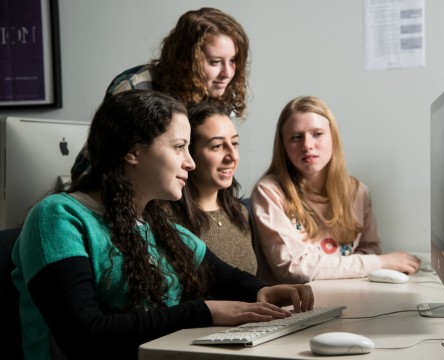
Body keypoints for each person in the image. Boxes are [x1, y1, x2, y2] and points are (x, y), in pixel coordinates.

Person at [11, 90, 314, 360]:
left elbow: (226, 278)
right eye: (179, 147)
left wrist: (265, 291)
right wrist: (204, 312)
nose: (190, 162)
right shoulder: (58, 217)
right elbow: (85, 336)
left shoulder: (154, 223)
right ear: (132, 151)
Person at [251, 96, 420, 284]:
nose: (307, 145)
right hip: (296, 307)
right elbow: (294, 268)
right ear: (283, 146)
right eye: (296, 137)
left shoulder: (358, 192)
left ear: (333, 137)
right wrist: (380, 263)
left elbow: (369, 246)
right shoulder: (269, 192)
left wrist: (358, 265)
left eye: (317, 134)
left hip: (347, 292)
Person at [71, 7, 250, 180]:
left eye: (233, 60)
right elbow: (105, 165)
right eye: (215, 62)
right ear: (186, 60)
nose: (228, 73)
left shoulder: (219, 98)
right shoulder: (136, 86)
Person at [171, 102, 257, 274]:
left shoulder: (240, 212)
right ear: (190, 153)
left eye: (235, 143)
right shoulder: (168, 220)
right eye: (217, 146)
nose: (232, 156)